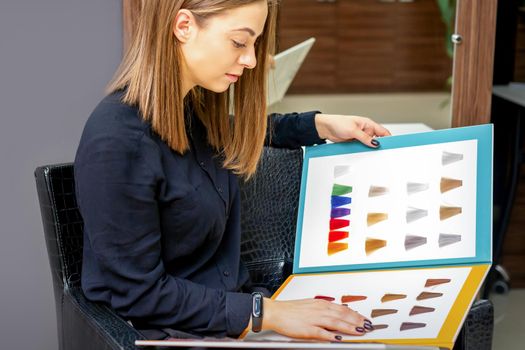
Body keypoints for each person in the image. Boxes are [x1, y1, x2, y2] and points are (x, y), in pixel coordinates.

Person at [74, 0, 391, 342]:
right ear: (183, 26)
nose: (251, 60)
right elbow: (140, 295)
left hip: (226, 318)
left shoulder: (190, 113)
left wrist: (319, 125)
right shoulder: (119, 141)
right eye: (240, 42)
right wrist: (264, 313)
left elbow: (237, 130)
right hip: (169, 333)